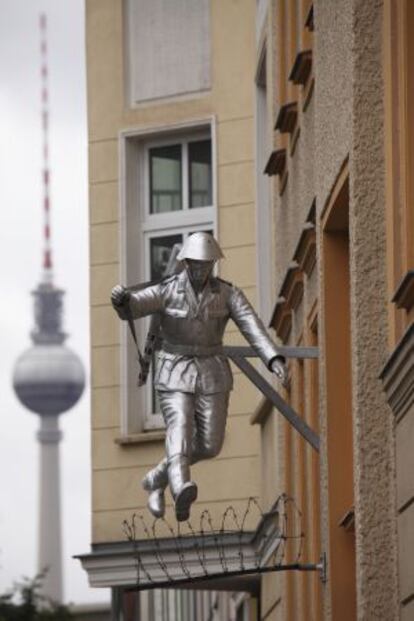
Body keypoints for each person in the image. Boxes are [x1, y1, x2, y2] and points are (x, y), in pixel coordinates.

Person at [111, 232, 287, 521]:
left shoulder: (227, 294)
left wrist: (273, 358)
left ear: (214, 264)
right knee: (179, 427)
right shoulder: (167, 290)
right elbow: (133, 306)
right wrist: (120, 299)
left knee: (210, 445)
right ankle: (180, 487)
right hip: (175, 368)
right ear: (186, 262)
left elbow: (251, 325)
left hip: (212, 370)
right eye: (196, 263)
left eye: (206, 264)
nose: (201, 269)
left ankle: (157, 479)